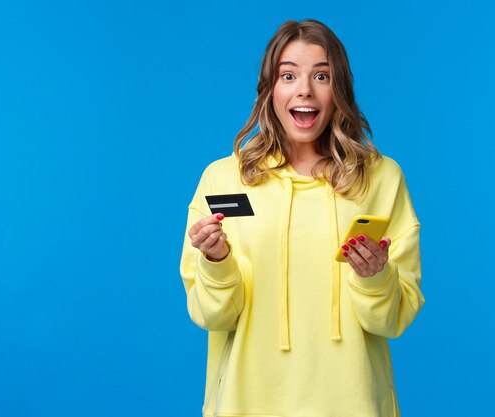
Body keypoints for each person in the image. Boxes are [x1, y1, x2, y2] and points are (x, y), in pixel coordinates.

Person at [180, 19, 424, 417]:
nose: (304, 89)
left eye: (322, 75)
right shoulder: (223, 178)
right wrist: (216, 262)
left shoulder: (382, 177)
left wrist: (376, 276)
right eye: (288, 75)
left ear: (338, 89)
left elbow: (393, 320)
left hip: (354, 404)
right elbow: (211, 316)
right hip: (247, 404)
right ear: (270, 89)